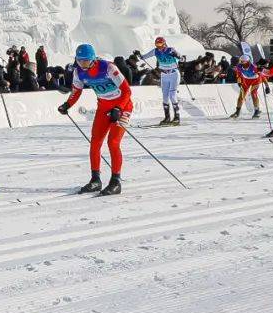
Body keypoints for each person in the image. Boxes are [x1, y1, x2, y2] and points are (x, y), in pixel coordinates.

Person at [57, 43, 133, 196]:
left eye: (85, 61)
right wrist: (67, 104)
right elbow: (76, 91)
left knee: (113, 142)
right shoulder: (78, 72)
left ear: (93, 59)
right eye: (79, 61)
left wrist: (118, 108)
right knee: (95, 142)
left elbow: (126, 91)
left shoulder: (108, 68)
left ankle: (115, 181)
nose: (82, 64)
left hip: (123, 107)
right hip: (104, 108)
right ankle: (95, 180)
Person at [139, 36, 182, 125]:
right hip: (164, 75)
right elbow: (144, 57)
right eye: (157, 44)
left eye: (160, 44)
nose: (159, 46)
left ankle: (177, 117)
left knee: (172, 95)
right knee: (165, 96)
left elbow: (182, 58)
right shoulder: (155, 51)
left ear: (164, 43)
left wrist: (176, 55)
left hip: (174, 74)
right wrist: (139, 55)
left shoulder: (171, 50)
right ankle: (167, 117)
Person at [232, 54, 264, 118]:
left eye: (244, 62)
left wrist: (266, 85)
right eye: (241, 62)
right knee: (241, 95)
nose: (242, 64)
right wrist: (239, 81)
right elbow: (238, 74)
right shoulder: (239, 66)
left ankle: (256, 111)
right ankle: (237, 112)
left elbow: (262, 75)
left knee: (253, 94)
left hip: (255, 80)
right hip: (246, 81)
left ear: (248, 61)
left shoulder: (254, 67)